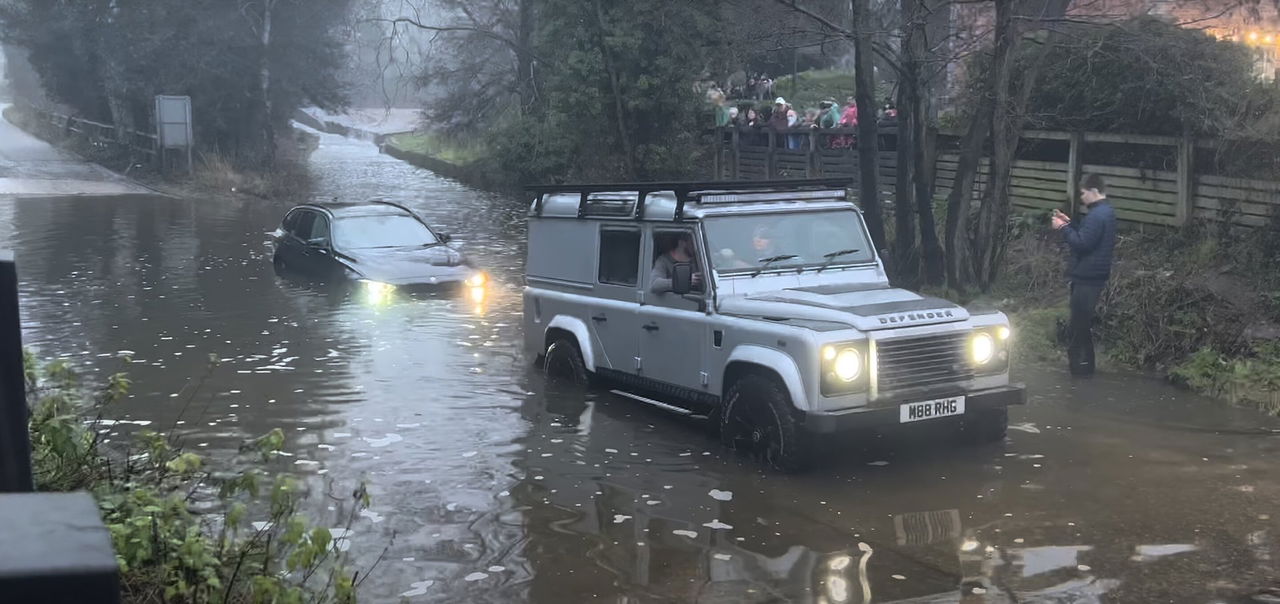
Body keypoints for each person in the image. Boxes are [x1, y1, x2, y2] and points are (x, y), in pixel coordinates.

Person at [1052, 173, 1116, 376]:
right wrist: (1070, 224)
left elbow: (1082, 243)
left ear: (1094, 191)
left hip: (1088, 278)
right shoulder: (1105, 213)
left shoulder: (1098, 215)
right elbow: (1086, 236)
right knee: (1082, 325)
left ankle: (1079, 372)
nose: (1081, 198)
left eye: (1083, 193)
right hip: (1092, 276)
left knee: (1078, 327)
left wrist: (1062, 228)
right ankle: (1087, 370)